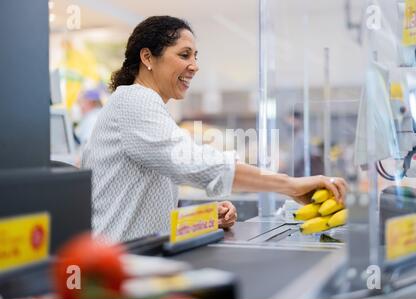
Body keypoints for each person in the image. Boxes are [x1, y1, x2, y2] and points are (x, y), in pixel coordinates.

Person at [82, 16, 348, 243]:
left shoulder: (146, 107)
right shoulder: (135, 100)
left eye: (195, 57)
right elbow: (196, 163)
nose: (194, 65)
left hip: (138, 260)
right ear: (147, 57)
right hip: (114, 271)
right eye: (184, 54)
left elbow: (148, 215)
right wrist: (289, 185)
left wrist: (206, 218)